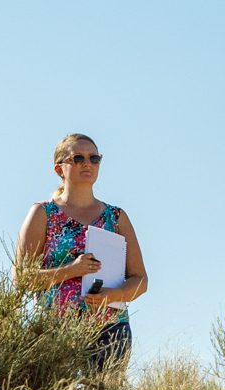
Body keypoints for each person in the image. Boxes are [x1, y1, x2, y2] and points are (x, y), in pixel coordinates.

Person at [14, 135, 145, 372]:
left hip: (110, 329)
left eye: (94, 158)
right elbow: (21, 278)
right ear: (59, 169)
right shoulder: (43, 213)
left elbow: (140, 279)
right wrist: (71, 270)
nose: (88, 163)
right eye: (78, 158)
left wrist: (113, 294)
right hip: (54, 327)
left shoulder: (116, 218)